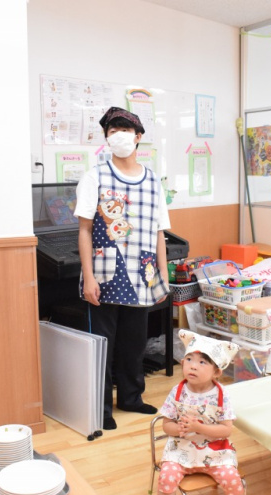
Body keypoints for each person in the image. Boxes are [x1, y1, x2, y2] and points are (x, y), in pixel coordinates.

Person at [73, 107, 170, 430]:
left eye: (124, 130)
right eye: (112, 131)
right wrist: (88, 277)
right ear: (106, 138)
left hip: (143, 274)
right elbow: (84, 230)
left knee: (134, 342)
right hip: (104, 274)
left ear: (138, 136)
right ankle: (101, 410)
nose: (118, 136)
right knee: (103, 345)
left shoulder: (153, 180)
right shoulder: (95, 177)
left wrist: (163, 278)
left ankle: (131, 397)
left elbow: (159, 231)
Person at [157, 330, 262, 495]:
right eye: (189, 359)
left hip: (215, 452)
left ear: (216, 372)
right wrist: (178, 428)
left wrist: (198, 427)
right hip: (181, 449)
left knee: (232, 479)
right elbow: (166, 424)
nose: (193, 366)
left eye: (202, 362)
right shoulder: (177, 391)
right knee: (166, 478)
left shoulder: (222, 395)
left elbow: (226, 430)